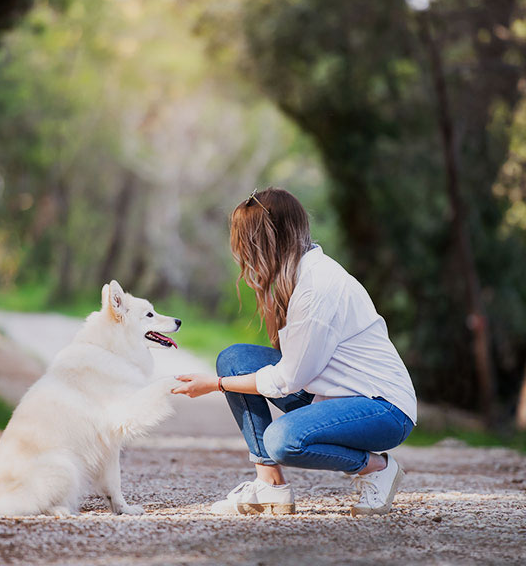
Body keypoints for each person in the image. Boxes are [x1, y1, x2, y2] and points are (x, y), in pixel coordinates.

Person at [171, 188, 417, 516]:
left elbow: (287, 379)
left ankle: (376, 468)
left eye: (248, 246)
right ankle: (270, 487)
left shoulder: (316, 289)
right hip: (335, 395)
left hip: (383, 409)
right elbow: (295, 369)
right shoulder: (298, 278)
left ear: (269, 242)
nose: (246, 258)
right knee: (234, 360)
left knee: (283, 440)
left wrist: (215, 385)